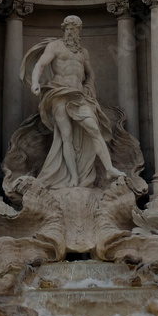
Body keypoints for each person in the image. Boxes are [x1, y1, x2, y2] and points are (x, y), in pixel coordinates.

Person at [23, 15, 125, 188]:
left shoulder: (83, 52)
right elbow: (40, 65)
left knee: (94, 128)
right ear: (64, 29)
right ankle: (73, 177)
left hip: (78, 95)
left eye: (76, 28)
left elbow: (90, 73)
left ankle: (109, 168)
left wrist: (89, 86)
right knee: (66, 136)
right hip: (59, 92)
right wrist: (35, 82)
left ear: (80, 31)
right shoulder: (54, 46)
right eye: (69, 28)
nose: (72, 32)